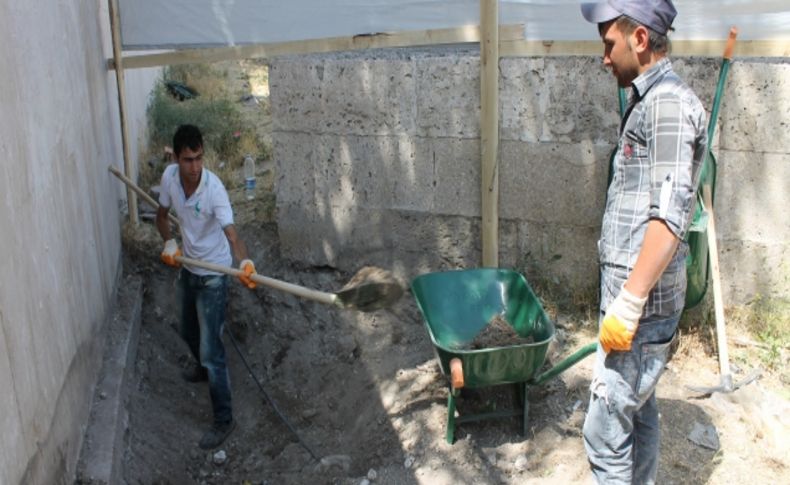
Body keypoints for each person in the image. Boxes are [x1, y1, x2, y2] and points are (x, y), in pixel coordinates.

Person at [579, 1, 707, 483]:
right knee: (640, 413)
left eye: (608, 43)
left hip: (641, 309)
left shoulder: (668, 104)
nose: (604, 57)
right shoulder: (649, 100)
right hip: (638, 303)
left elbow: (669, 216)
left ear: (639, 39)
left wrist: (630, 302)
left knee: (605, 433)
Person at [156, 124, 258, 450]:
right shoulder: (170, 178)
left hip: (214, 276)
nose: (195, 167)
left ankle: (225, 419)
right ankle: (200, 370)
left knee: (212, 352)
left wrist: (243, 263)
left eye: (199, 158)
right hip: (188, 268)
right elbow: (161, 215)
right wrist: (169, 241)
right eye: (188, 160)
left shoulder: (214, 190)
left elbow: (232, 235)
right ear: (177, 158)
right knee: (186, 329)